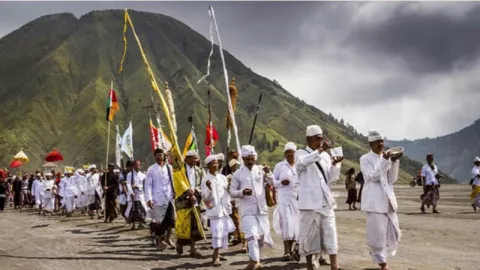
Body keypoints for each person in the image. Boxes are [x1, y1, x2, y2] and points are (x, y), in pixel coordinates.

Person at [295, 125, 343, 270]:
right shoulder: (300, 153)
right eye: (317, 139)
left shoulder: (325, 156)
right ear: (309, 139)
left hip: (325, 201)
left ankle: (335, 266)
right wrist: (320, 150)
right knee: (309, 236)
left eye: (321, 139)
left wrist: (335, 164)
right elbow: (301, 164)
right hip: (309, 202)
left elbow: (331, 178)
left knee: (331, 233)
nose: (320, 141)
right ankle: (310, 266)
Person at [360, 129, 402, 270]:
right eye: (378, 141)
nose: (381, 144)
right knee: (377, 233)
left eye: (382, 141)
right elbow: (372, 176)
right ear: (370, 143)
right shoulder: (365, 159)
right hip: (374, 202)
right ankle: (383, 264)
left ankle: (384, 259)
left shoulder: (386, 158)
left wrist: (394, 162)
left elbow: (392, 179)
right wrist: (385, 161)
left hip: (387, 200)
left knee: (392, 231)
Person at [230, 145, 274, 270]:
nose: (250, 162)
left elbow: (272, 183)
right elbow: (232, 191)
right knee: (252, 236)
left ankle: (252, 262)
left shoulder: (261, 170)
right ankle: (257, 263)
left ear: (255, 158)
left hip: (262, 209)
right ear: (242, 159)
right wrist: (242, 192)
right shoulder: (237, 174)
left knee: (260, 237)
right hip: (247, 210)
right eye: (247, 159)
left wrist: (269, 173)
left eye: (252, 159)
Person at [201, 155, 235, 267]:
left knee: (224, 231)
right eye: (213, 163)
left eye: (217, 163)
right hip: (214, 210)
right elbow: (205, 198)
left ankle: (218, 252)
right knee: (217, 232)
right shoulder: (205, 179)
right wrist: (210, 189)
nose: (216, 165)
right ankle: (215, 255)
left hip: (224, 208)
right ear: (208, 165)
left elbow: (227, 192)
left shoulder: (222, 177)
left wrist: (231, 198)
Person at [174, 150, 206, 256]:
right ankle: (179, 243)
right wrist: (187, 193)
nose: (195, 160)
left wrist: (195, 192)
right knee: (183, 224)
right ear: (186, 159)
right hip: (183, 202)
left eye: (196, 158)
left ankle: (192, 248)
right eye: (193, 158)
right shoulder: (180, 171)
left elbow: (203, 184)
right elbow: (177, 185)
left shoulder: (200, 171)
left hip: (196, 200)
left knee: (195, 224)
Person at [272, 142, 300, 261]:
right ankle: (286, 251)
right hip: (284, 199)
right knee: (287, 224)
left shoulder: (299, 165)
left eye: (292, 152)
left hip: (297, 200)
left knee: (295, 226)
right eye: (288, 152)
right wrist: (281, 183)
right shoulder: (280, 166)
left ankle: (294, 249)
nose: (290, 155)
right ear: (284, 153)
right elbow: (272, 181)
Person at [145, 148, 176, 251]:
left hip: (169, 198)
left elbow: (172, 181)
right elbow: (148, 185)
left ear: (164, 156)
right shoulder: (151, 169)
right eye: (157, 155)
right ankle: (159, 241)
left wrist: (174, 191)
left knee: (171, 221)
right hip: (157, 199)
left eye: (160, 155)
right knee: (158, 222)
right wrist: (149, 199)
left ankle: (167, 238)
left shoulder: (169, 168)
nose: (159, 157)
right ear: (154, 157)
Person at [226, 158, 245, 250]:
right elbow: (230, 190)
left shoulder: (243, 176)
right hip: (234, 201)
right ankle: (237, 236)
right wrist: (231, 199)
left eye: (237, 165)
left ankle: (243, 238)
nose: (236, 167)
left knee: (242, 219)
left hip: (244, 201)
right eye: (234, 166)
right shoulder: (229, 177)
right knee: (235, 220)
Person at [126, 160, 148, 230]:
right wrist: (131, 192)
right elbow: (128, 184)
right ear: (133, 166)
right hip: (133, 195)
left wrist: (138, 187)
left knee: (142, 210)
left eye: (138, 165)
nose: (137, 166)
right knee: (133, 210)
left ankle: (141, 223)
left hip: (140, 195)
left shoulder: (143, 175)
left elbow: (145, 185)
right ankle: (133, 224)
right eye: (136, 165)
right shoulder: (130, 174)